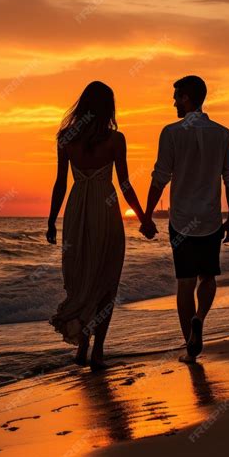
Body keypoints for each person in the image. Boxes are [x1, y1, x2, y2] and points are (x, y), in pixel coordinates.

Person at [46, 81, 152, 370]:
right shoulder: (116, 140)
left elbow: (60, 184)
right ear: (109, 108)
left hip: (76, 211)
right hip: (105, 213)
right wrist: (143, 218)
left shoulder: (66, 138)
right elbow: (125, 184)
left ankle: (82, 347)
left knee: (81, 278)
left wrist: (52, 221)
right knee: (105, 281)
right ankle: (98, 351)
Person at [140, 75, 229, 363]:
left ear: (187, 98)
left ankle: (189, 347)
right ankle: (200, 318)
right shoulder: (224, 134)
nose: (173, 102)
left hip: (181, 220)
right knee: (208, 277)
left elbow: (160, 178)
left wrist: (146, 216)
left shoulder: (170, 133)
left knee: (185, 283)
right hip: (210, 219)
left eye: (177, 97)